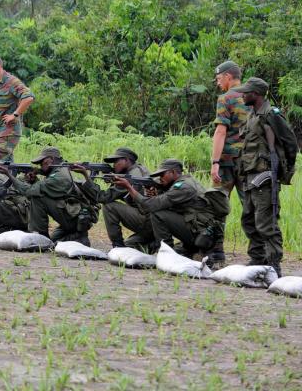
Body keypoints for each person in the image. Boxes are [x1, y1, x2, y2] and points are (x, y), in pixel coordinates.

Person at [233, 77, 297, 277]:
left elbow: (290, 143)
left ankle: (273, 264)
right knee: (248, 220)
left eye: (246, 92)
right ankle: (257, 258)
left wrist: (283, 168)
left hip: (265, 177)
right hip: (251, 176)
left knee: (266, 223)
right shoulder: (254, 115)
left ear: (256, 94)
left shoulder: (271, 115)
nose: (242, 95)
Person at [113, 159, 228, 260]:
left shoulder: (183, 187)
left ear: (173, 172)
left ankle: (167, 254)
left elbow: (150, 206)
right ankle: (176, 250)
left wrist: (129, 187)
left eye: (162, 174)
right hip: (197, 230)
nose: (160, 178)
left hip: (200, 233)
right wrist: (155, 194)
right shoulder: (185, 182)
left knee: (157, 214)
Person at [0, 147, 90, 244]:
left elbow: (30, 191)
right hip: (74, 218)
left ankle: (41, 235)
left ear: (50, 160)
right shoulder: (60, 170)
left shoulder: (58, 176)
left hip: (75, 219)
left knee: (37, 198)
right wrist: (35, 178)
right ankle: (77, 236)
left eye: (42, 163)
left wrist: (10, 175)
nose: (40, 166)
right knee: (53, 240)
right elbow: (47, 190)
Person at [208, 60, 250, 266]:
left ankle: (217, 252)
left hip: (226, 163)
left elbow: (220, 131)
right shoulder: (253, 97)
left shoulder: (226, 98)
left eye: (218, 79)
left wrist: (215, 162)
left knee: (217, 204)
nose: (218, 83)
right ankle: (260, 253)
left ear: (227, 76)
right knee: (251, 206)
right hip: (249, 163)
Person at [72, 148, 156, 251]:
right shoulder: (139, 169)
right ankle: (153, 243)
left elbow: (103, 198)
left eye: (116, 161)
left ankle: (117, 246)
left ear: (126, 160)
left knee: (109, 206)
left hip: (147, 220)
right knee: (129, 246)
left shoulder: (129, 177)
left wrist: (86, 176)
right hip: (154, 222)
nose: (114, 165)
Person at [0, 54, 34, 160]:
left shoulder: (11, 82)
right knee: (7, 165)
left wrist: (14, 115)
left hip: (9, 131)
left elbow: (29, 97)